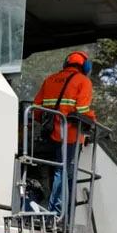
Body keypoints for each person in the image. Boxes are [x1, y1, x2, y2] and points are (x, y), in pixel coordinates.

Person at [32, 51, 95, 218]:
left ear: (66, 63)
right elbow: (82, 111)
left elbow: (36, 110)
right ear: (86, 66)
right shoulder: (83, 81)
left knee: (57, 171)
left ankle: (57, 211)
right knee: (64, 171)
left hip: (50, 135)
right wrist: (92, 123)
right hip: (70, 136)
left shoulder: (50, 79)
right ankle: (58, 214)